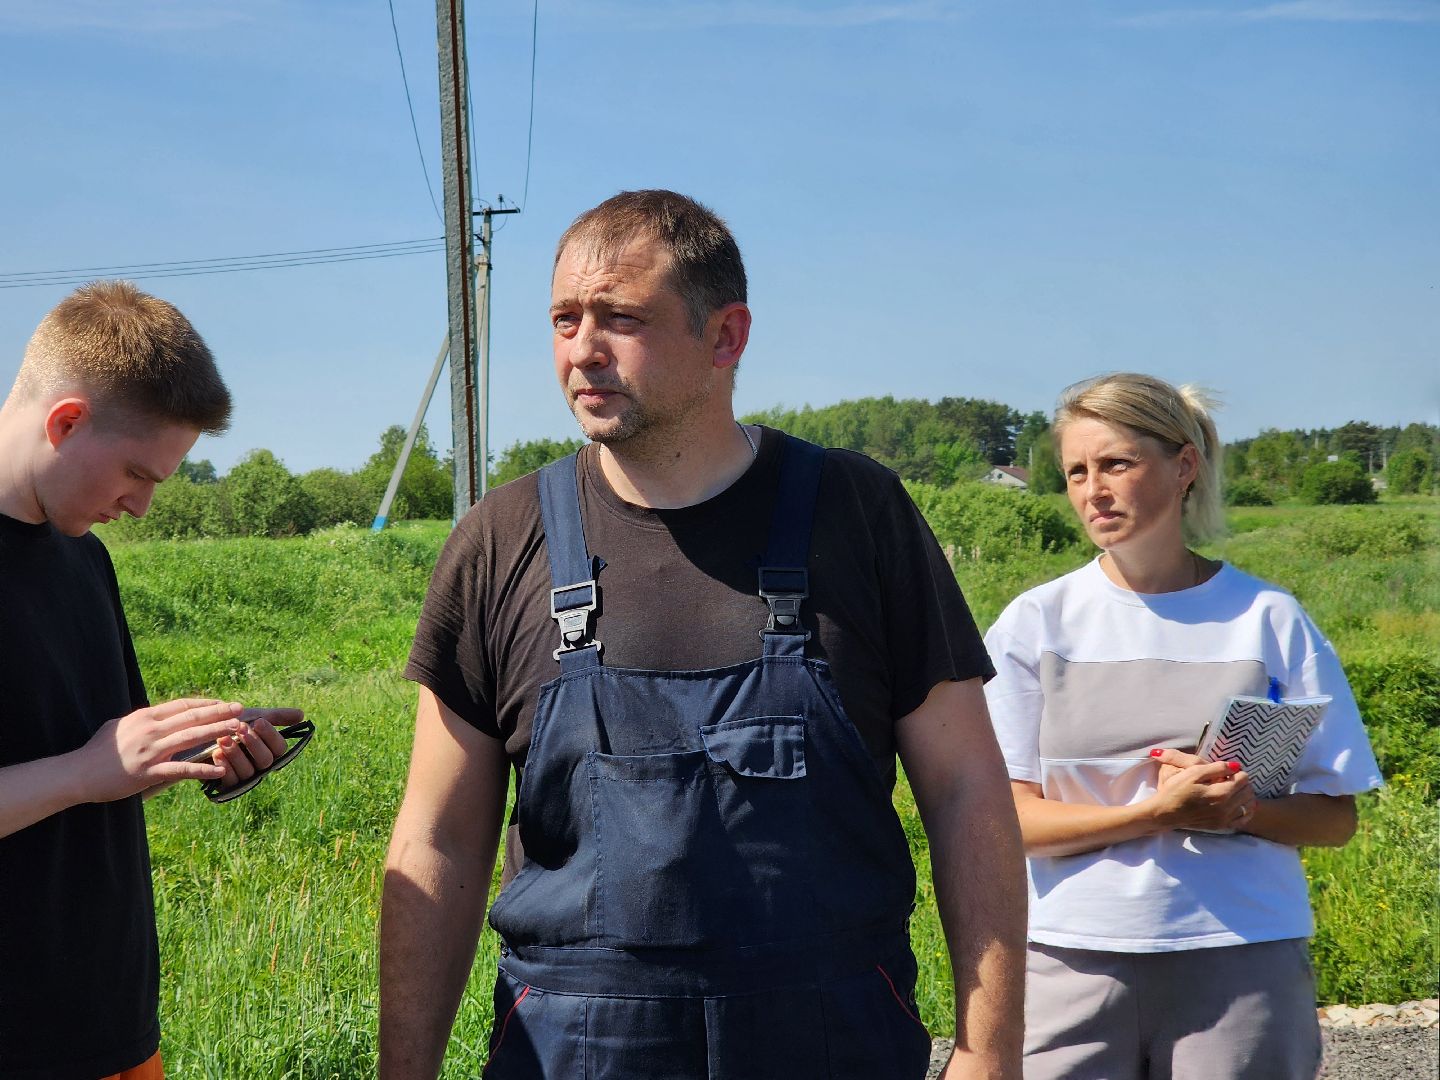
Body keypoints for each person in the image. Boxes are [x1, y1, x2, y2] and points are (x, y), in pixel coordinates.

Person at [380, 189, 1026, 1079]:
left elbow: (966, 792)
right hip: (575, 1053)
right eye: (565, 319)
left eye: (621, 318)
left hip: (830, 1044)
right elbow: (439, 837)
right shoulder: (502, 538)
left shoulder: (856, 514)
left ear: (726, 337)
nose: (582, 350)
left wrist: (992, 1054)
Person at [983, 372, 1382, 1080]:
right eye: (1077, 471)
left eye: (1116, 464)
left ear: (1183, 467)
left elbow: (1335, 817)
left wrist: (1240, 808)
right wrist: (1156, 813)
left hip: (1242, 953)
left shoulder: (1269, 619)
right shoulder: (1036, 623)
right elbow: (1004, 822)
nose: (1093, 490)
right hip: (1070, 955)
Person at [0, 281, 301, 1080]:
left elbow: (102, 759)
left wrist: (196, 749)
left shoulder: (83, 558)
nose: (140, 507)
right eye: (137, 473)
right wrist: (84, 771)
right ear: (65, 422)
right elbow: (87, 767)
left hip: (110, 1021)